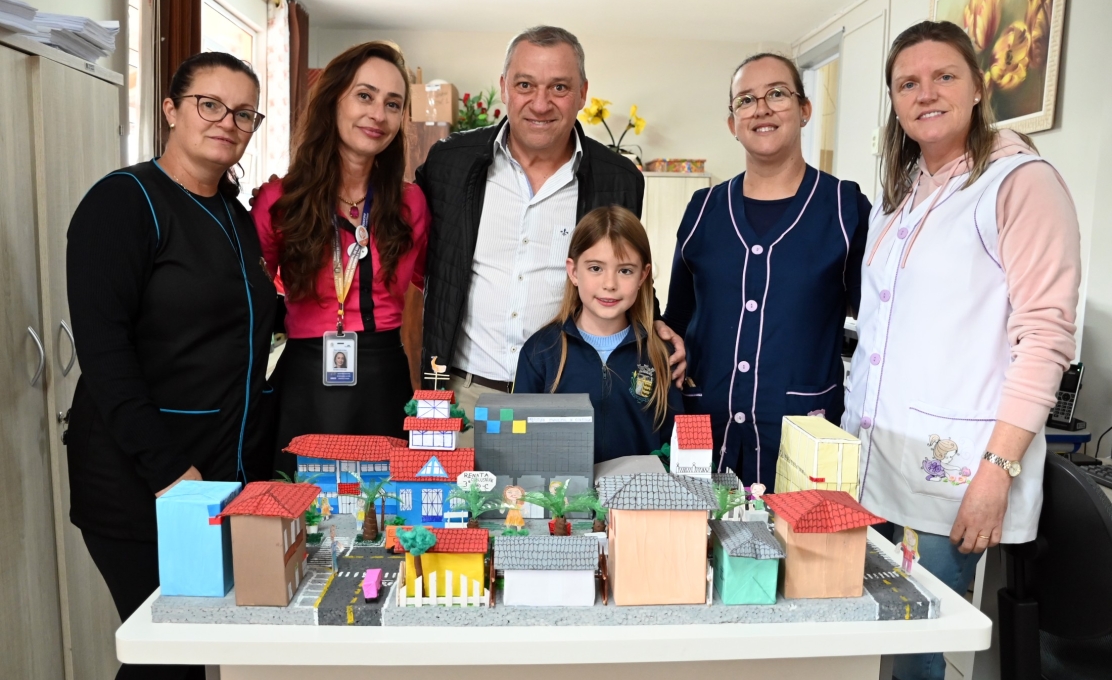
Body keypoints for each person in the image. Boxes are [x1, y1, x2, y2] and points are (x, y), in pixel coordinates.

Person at [841, 21, 1081, 680]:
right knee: (870, 643)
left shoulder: (1018, 181)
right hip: (875, 467)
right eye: (907, 83)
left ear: (978, 86)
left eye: (944, 75)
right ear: (892, 101)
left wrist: (995, 473)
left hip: (951, 482)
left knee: (919, 656)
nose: (926, 93)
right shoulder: (906, 194)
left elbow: (1046, 338)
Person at [66, 52, 274, 680]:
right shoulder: (124, 202)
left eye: (243, 113)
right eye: (209, 105)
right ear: (171, 110)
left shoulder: (234, 215)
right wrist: (169, 474)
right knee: (167, 659)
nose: (226, 122)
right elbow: (105, 357)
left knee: (192, 653)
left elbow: (238, 335)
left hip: (215, 475)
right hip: (144, 483)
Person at [416, 26, 685, 447]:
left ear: (582, 93)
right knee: (455, 513)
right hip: (462, 397)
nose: (540, 103)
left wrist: (658, 328)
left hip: (563, 398)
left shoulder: (619, 179)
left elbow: (622, 267)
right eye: (525, 85)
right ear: (504, 87)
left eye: (559, 87)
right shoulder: (449, 163)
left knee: (559, 511)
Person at [663, 53, 870, 485]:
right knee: (698, 549)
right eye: (745, 100)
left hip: (803, 438)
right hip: (705, 431)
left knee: (802, 549)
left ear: (804, 109)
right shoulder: (703, 209)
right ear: (732, 122)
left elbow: (875, 323)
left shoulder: (844, 207)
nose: (761, 109)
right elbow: (677, 318)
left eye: (777, 94)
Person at [253, 42, 429, 475]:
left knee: (386, 520)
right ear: (333, 99)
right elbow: (251, 301)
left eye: (393, 104)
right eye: (364, 96)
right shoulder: (279, 201)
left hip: (385, 379)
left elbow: (415, 308)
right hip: (305, 378)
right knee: (304, 516)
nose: (378, 115)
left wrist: (422, 393)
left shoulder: (411, 204)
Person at [515, 206, 682, 462]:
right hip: (562, 501)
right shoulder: (540, 351)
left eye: (625, 270)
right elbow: (521, 444)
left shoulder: (662, 354)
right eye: (595, 268)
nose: (610, 284)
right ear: (573, 271)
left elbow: (677, 447)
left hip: (641, 500)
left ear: (643, 276)